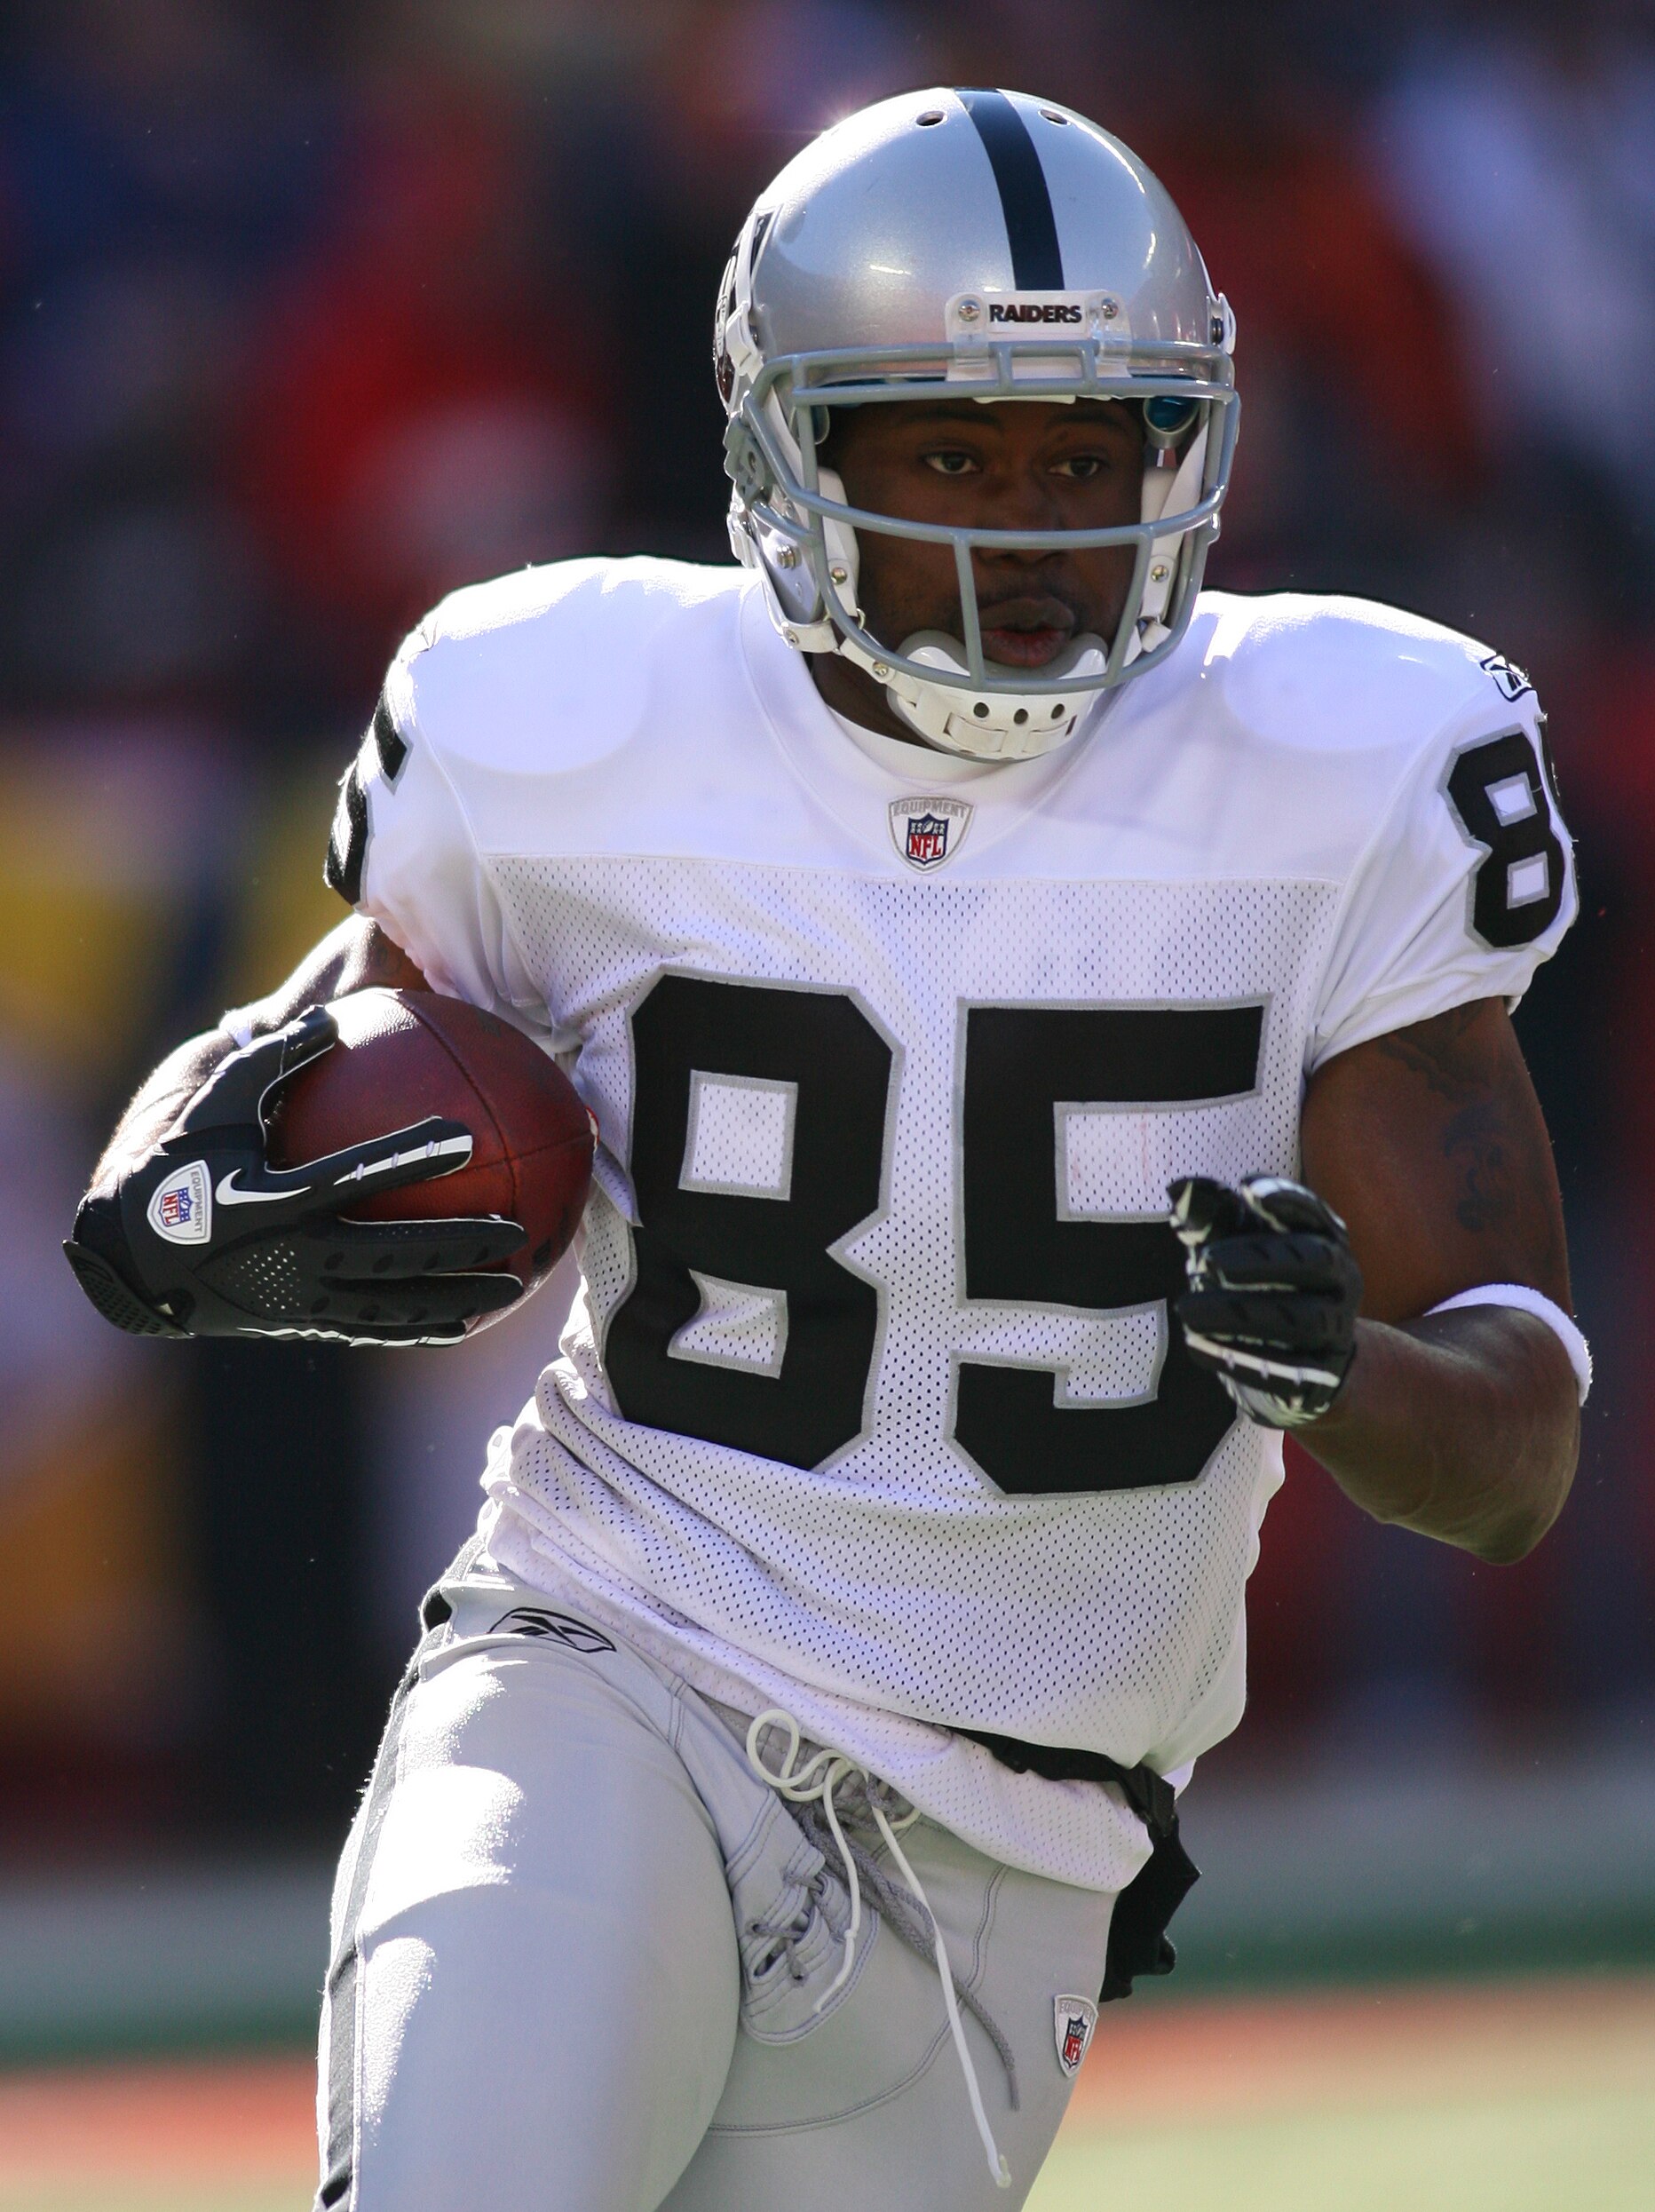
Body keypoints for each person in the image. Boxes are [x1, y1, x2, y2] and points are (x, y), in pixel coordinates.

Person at [66, 88, 1587, 2212]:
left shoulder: (1345, 767)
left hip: (1016, 1827)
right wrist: (172, 1196)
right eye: (950, 455)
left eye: (1088, 455)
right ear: (787, 448)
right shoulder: (564, 713)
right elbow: (320, 1041)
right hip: (610, 1655)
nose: (1028, 528)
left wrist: (1339, 1372)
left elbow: (1513, 1459)